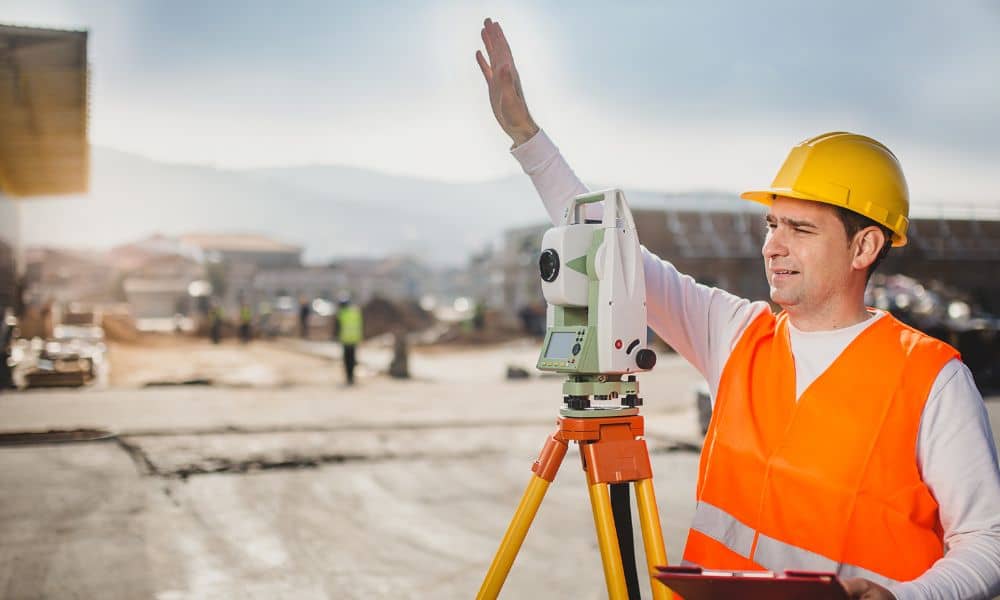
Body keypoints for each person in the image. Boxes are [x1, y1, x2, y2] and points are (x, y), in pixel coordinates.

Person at [476, 17, 1000, 600]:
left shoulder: (932, 380)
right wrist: (527, 137)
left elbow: (988, 541)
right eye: (772, 224)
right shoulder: (735, 333)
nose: (773, 246)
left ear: (864, 246)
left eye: (800, 229)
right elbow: (614, 255)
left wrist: (904, 598)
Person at [334, 294, 363, 386]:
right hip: (354, 339)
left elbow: (337, 328)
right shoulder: (355, 313)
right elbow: (360, 325)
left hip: (345, 340)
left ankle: (349, 377)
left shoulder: (341, 314)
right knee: (353, 359)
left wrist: (336, 337)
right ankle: (352, 377)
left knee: (347, 360)